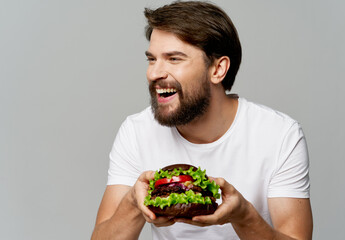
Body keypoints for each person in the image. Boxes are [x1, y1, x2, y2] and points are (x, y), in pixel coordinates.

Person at [91, 1, 313, 239]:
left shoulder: (279, 135)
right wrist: (134, 203)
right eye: (152, 59)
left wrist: (243, 215)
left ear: (217, 69)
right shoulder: (136, 132)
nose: (154, 73)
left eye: (174, 59)